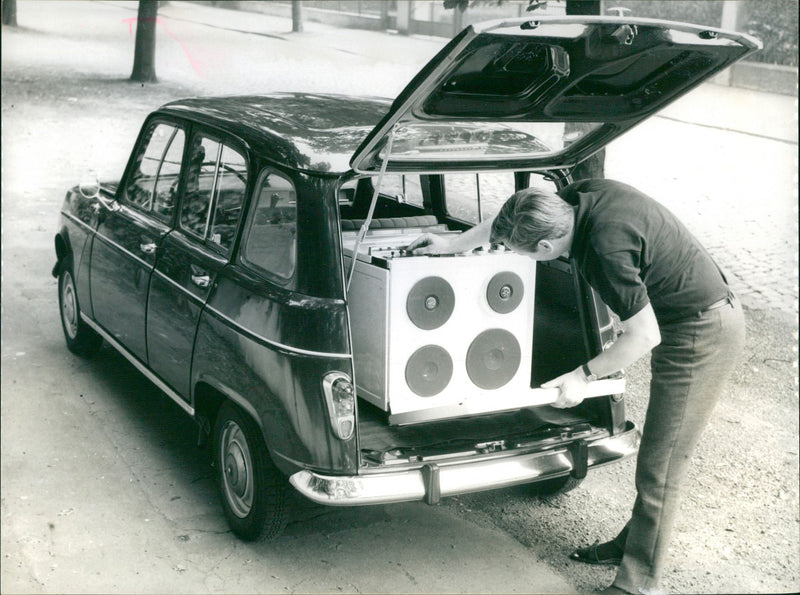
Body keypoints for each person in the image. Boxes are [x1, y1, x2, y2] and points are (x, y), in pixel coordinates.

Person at [407, 179, 745, 595]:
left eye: (522, 253)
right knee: (659, 458)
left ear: (546, 249)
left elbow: (643, 335)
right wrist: (454, 243)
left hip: (701, 329)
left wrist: (582, 376)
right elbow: (508, 219)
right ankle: (635, 543)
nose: (519, 256)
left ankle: (637, 585)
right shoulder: (574, 198)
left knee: (662, 463)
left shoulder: (604, 249)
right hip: (677, 315)